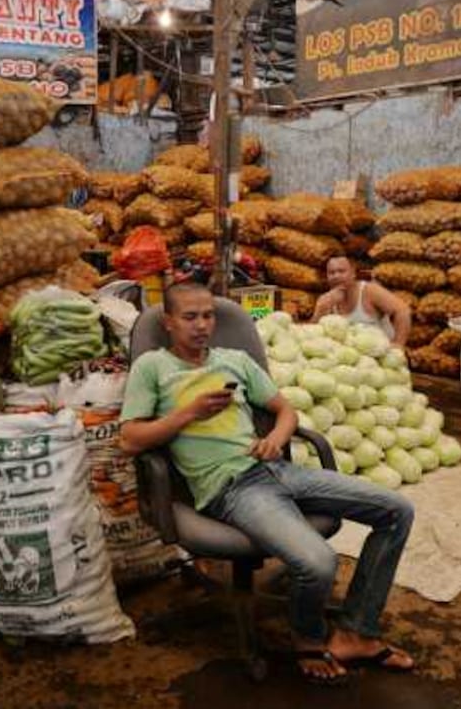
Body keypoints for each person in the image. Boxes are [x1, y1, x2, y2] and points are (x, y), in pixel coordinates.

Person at [119, 282, 416, 685]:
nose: (202, 325)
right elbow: (130, 439)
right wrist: (187, 414)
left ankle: (355, 632)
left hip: (277, 470)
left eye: (208, 316)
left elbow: (285, 410)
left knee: (397, 510)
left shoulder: (234, 360)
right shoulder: (153, 366)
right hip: (232, 488)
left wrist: (276, 438)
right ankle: (308, 639)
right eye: (190, 317)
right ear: (168, 322)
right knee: (318, 562)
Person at [313, 256, 412, 349]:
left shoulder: (369, 291)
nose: (336, 276)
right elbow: (312, 334)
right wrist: (320, 311)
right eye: (331, 273)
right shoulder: (326, 300)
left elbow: (402, 311)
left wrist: (398, 344)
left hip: (380, 356)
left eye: (341, 271)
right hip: (352, 360)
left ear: (353, 274)